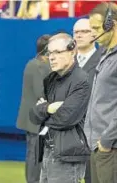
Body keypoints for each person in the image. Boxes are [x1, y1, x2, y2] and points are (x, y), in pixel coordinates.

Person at [30, 33, 90, 183]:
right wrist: (49, 108)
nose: (51, 57)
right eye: (50, 53)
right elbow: (33, 115)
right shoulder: (51, 79)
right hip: (48, 150)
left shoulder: (82, 80)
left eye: (57, 52)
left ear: (72, 52)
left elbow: (65, 118)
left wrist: (43, 112)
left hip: (68, 154)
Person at [84, 2, 117, 183]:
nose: (93, 33)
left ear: (112, 25)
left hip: (110, 148)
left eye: (96, 28)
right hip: (98, 146)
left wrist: (106, 141)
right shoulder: (105, 54)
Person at [16, 34, 51, 183]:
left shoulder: (35, 63)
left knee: (35, 155)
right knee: (35, 156)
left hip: (35, 119)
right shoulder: (37, 66)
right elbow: (40, 92)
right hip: (35, 121)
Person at [73, 18, 102, 183]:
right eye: (76, 32)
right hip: (70, 135)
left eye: (84, 31)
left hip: (95, 136)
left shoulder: (104, 60)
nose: (79, 35)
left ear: (95, 34)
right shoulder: (67, 62)